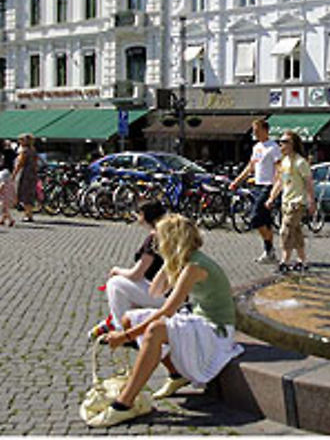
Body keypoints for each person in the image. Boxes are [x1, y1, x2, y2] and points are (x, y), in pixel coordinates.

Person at [88, 214, 244, 428]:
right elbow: (156, 291)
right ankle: (175, 373)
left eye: (159, 239)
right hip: (199, 320)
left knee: (155, 329)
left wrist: (125, 337)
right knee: (128, 319)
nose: (155, 244)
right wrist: (168, 262)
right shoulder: (187, 260)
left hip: (215, 330)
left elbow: (167, 310)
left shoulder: (194, 266)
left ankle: (124, 403)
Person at [87, 200, 169, 341]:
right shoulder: (168, 233)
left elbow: (137, 274)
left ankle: (122, 330)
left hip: (161, 294)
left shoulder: (153, 238)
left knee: (115, 284)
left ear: (144, 216)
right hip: (173, 293)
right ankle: (121, 322)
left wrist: (116, 270)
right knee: (127, 287)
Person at [229, 119, 281, 263]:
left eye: (256, 130)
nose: (254, 133)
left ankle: (269, 250)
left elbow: (278, 169)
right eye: (253, 130)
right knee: (265, 221)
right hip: (257, 186)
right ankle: (269, 251)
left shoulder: (273, 147)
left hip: (268, 186)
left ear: (265, 130)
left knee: (255, 218)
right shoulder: (257, 147)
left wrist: (275, 190)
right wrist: (237, 181)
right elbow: (250, 166)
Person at [265, 130, 316, 273]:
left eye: (285, 142)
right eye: (281, 141)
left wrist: (311, 201)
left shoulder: (301, 162)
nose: (281, 144)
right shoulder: (284, 162)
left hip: (297, 203)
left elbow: (308, 183)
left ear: (293, 144)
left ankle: (284, 261)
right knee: (296, 231)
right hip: (286, 202)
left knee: (285, 231)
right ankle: (302, 261)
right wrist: (271, 198)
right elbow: (280, 183)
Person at [12, 133, 39, 222]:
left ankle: (28, 214)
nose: (19, 141)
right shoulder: (33, 150)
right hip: (32, 174)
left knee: (24, 193)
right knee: (30, 194)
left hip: (25, 174)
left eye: (21, 140)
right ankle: (29, 214)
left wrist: (14, 174)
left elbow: (20, 164)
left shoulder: (24, 151)